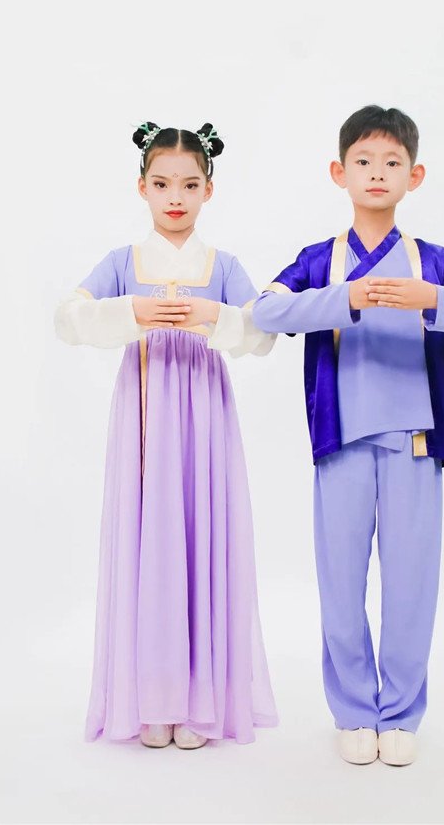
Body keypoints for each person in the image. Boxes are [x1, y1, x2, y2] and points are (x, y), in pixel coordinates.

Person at [251, 105, 444, 766]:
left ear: (413, 176)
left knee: (411, 584)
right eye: (363, 161)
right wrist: (347, 299)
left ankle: (399, 713)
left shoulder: (431, 260)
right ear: (338, 172)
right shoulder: (322, 259)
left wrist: (431, 299)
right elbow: (267, 311)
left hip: (414, 442)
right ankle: (354, 712)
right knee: (340, 582)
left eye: (392, 162)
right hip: (341, 440)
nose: (376, 172)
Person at [55, 120, 278, 750]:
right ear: (142, 187)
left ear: (209, 189)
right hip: (145, 411)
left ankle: (198, 703)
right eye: (161, 184)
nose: (174, 196)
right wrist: (131, 311)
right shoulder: (122, 263)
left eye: (188, 184)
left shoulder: (222, 265)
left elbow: (263, 332)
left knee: (199, 537)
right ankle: (152, 701)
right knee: (149, 542)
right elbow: (67, 318)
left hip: (203, 413)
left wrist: (212, 315)